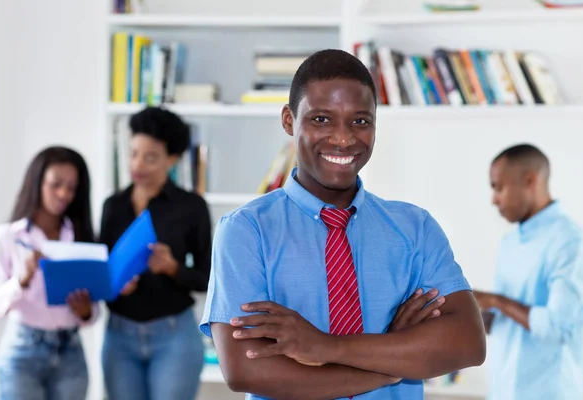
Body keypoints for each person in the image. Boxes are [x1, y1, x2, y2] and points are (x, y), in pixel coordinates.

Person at [200, 49, 486, 400]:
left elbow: (468, 343)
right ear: (289, 120)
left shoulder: (416, 229)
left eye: (360, 121)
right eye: (321, 119)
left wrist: (325, 347)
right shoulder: (247, 231)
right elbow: (246, 370)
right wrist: (394, 362)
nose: (343, 138)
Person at [100, 106, 212, 400]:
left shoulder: (191, 207)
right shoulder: (113, 207)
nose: (137, 164)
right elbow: (101, 273)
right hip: (119, 337)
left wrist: (172, 268)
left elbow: (207, 279)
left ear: (172, 159)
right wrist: (116, 285)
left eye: (150, 157)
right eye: (134, 153)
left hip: (174, 336)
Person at [474, 144, 583, 400]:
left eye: (498, 187)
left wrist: (495, 300)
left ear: (529, 180)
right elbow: (505, 322)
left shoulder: (572, 242)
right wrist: (464, 313)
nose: (494, 200)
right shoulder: (509, 244)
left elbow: (558, 326)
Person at [0, 146, 99, 400]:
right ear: (37, 182)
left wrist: (85, 311)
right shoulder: (7, 238)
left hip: (70, 351)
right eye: (56, 184)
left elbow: (93, 313)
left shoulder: (81, 239)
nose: (64, 194)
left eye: (71, 187)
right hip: (22, 353)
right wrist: (22, 280)